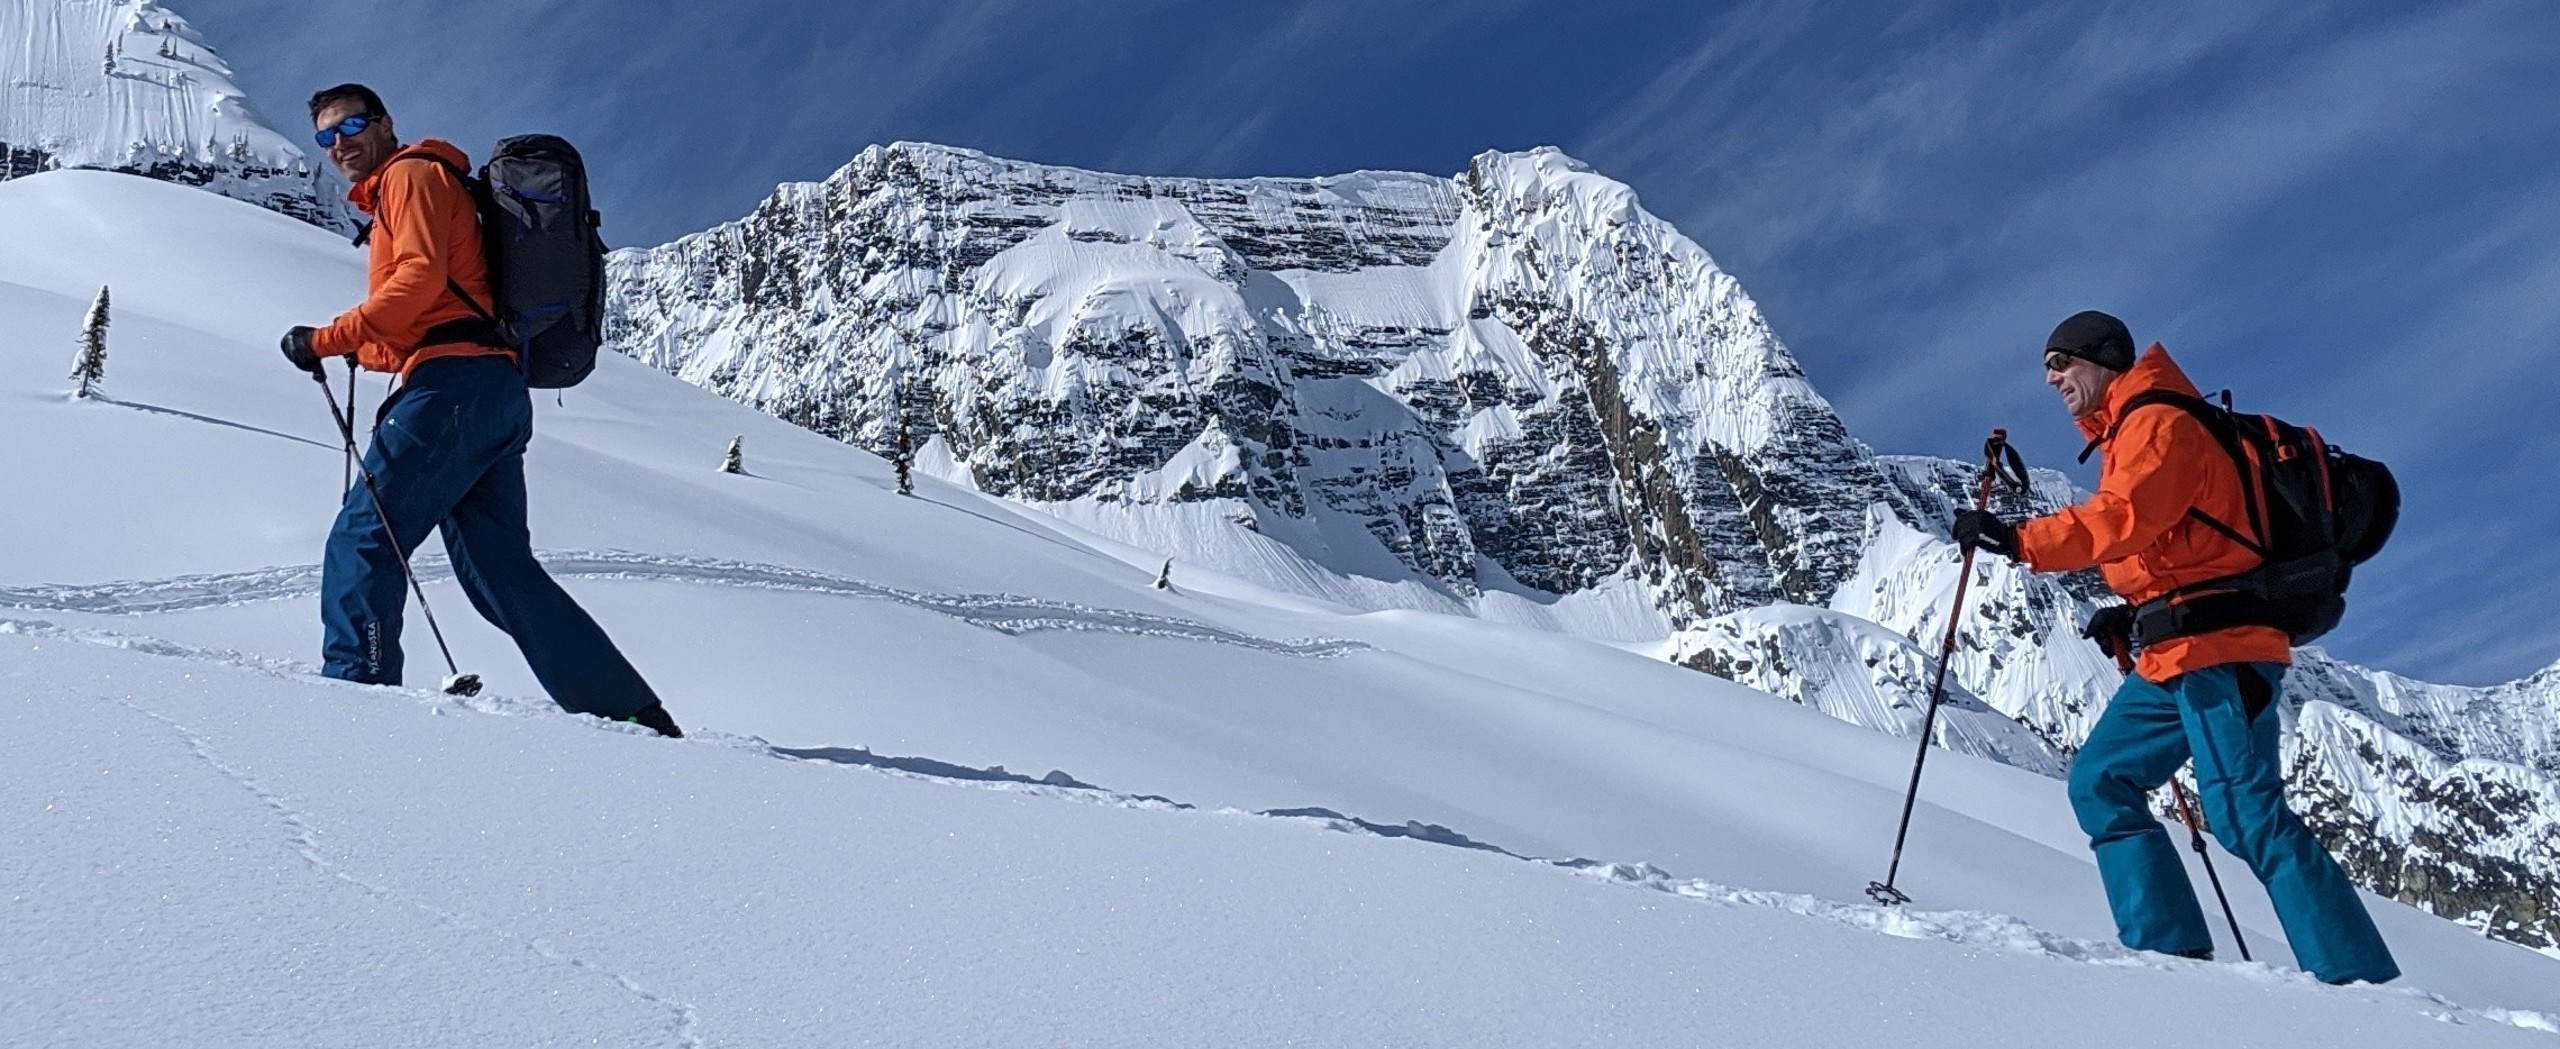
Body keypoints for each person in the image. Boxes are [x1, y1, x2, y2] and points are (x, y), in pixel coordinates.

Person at [1951, 310, 2393, 984]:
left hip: (2220, 648)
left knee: (2247, 814)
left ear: (2102, 357)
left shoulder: (2160, 422)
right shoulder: (2127, 436)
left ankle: (2358, 982)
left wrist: (2020, 540)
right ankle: (2171, 958)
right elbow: (2177, 547)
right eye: (2048, 368)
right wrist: (2133, 616)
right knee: (2102, 779)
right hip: (2175, 652)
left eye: (2061, 363)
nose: (2051, 379)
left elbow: (2125, 518)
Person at [281, 83, 681, 738]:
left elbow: (417, 281)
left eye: (351, 125)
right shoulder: (429, 183)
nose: (340, 143)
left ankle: (355, 700)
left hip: (452, 389)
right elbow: (436, 304)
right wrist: (370, 348)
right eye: (326, 136)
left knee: (363, 537)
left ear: (384, 123)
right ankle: (631, 712)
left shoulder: (408, 176)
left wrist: (327, 338)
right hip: (492, 388)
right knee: (500, 570)